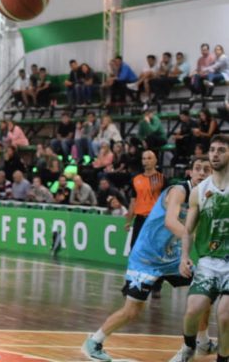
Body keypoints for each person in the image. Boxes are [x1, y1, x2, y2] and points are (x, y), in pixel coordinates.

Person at [83, 156, 213, 361]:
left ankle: (203, 342)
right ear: (190, 172)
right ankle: (94, 341)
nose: (202, 173)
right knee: (132, 311)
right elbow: (171, 222)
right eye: (198, 168)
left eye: (207, 169)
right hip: (146, 257)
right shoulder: (179, 191)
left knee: (204, 293)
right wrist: (191, 244)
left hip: (171, 257)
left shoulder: (208, 197)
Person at [170, 136, 229, 362]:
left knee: (224, 316)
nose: (215, 154)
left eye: (221, 150)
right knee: (193, 309)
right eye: (212, 149)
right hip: (208, 260)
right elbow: (188, 230)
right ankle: (188, 347)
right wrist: (184, 256)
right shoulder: (200, 191)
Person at [126, 150, 165, 249]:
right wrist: (129, 220)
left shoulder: (161, 179)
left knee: (152, 248)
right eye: (144, 159)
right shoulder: (136, 179)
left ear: (155, 161)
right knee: (134, 247)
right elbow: (133, 202)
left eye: (149, 158)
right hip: (139, 219)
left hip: (154, 219)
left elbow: (167, 201)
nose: (146, 161)